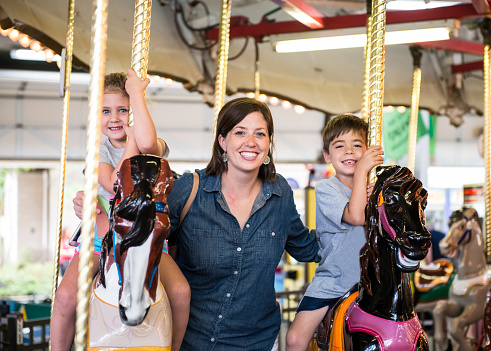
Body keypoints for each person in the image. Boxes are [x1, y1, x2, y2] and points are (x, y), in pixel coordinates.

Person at [162, 97, 319, 350]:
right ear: (222, 141)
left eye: (260, 134)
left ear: (269, 143)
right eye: (240, 132)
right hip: (190, 338)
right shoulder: (192, 189)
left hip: (256, 341)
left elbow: (307, 248)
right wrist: (99, 207)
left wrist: (354, 214)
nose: (251, 142)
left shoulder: (280, 193)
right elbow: (145, 236)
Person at [50, 69, 190, 351]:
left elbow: (150, 143)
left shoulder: (152, 144)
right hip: (102, 242)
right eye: (105, 110)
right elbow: (116, 182)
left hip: (145, 242)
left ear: (136, 111)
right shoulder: (97, 150)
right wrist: (131, 145)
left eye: (123, 109)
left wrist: (137, 99)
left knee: (181, 292)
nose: (114, 118)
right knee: (65, 297)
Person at [285, 114, 384, 351]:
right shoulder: (327, 189)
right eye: (340, 146)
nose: (349, 151)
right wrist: (362, 172)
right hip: (334, 282)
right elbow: (356, 216)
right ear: (328, 156)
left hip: (371, 282)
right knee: (295, 339)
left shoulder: (374, 191)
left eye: (357, 145)